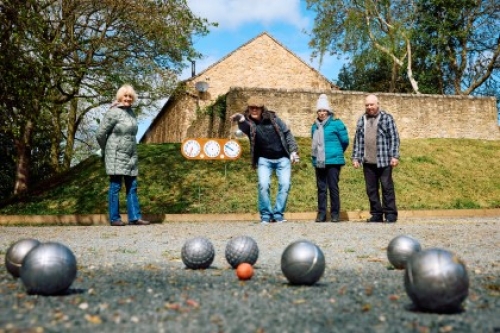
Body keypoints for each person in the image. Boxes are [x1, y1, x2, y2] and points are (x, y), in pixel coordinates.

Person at [230, 96, 299, 224]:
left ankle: (278, 214)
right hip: (264, 160)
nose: (254, 110)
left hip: (282, 158)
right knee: (263, 185)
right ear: (248, 109)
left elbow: (287, 133)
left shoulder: (274, 119)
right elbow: (245, 127)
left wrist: (293, 150)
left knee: (285, 185)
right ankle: (266, 215)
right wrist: (240, 119)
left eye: (257, 108)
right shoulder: (249, 122)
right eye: (252, 108)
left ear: (262, 109)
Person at [96, 84, 150, 226]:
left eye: (130, 96)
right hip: (116, 153)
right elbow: (100, 134)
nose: (128, 98)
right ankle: (114, 218)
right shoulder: (113, 112)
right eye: (125, 96)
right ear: (120, 97)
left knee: (132, 186)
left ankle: (135, 217)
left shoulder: (131, 113)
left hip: (131, 154)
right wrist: (106, 149)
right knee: (115, 186)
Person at [352, 94, 400, 223]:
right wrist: (356, 157)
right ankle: (377, 214)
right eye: (367, 105)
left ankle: (390, 214)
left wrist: (394, 156)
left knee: (387, 187)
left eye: (371, 104)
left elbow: (394, 138)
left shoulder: (387, 118)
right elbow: (358, 140)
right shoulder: (362, 119)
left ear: (377, 104)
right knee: (371, 189)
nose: (369, 107)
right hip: (368, 161)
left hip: (384, 160)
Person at [311, 94, 349, 223]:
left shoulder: (337, 124)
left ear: (328, 111)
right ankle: (321, 214)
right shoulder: (314, 126)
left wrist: (337, 152)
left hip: (333, 160)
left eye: (324, 110)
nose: (322, 113)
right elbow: (314, 144)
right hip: (319, 161)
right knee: (321, 188)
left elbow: (345, 141)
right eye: (319, 111)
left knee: (333, 187)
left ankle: (335, 214)